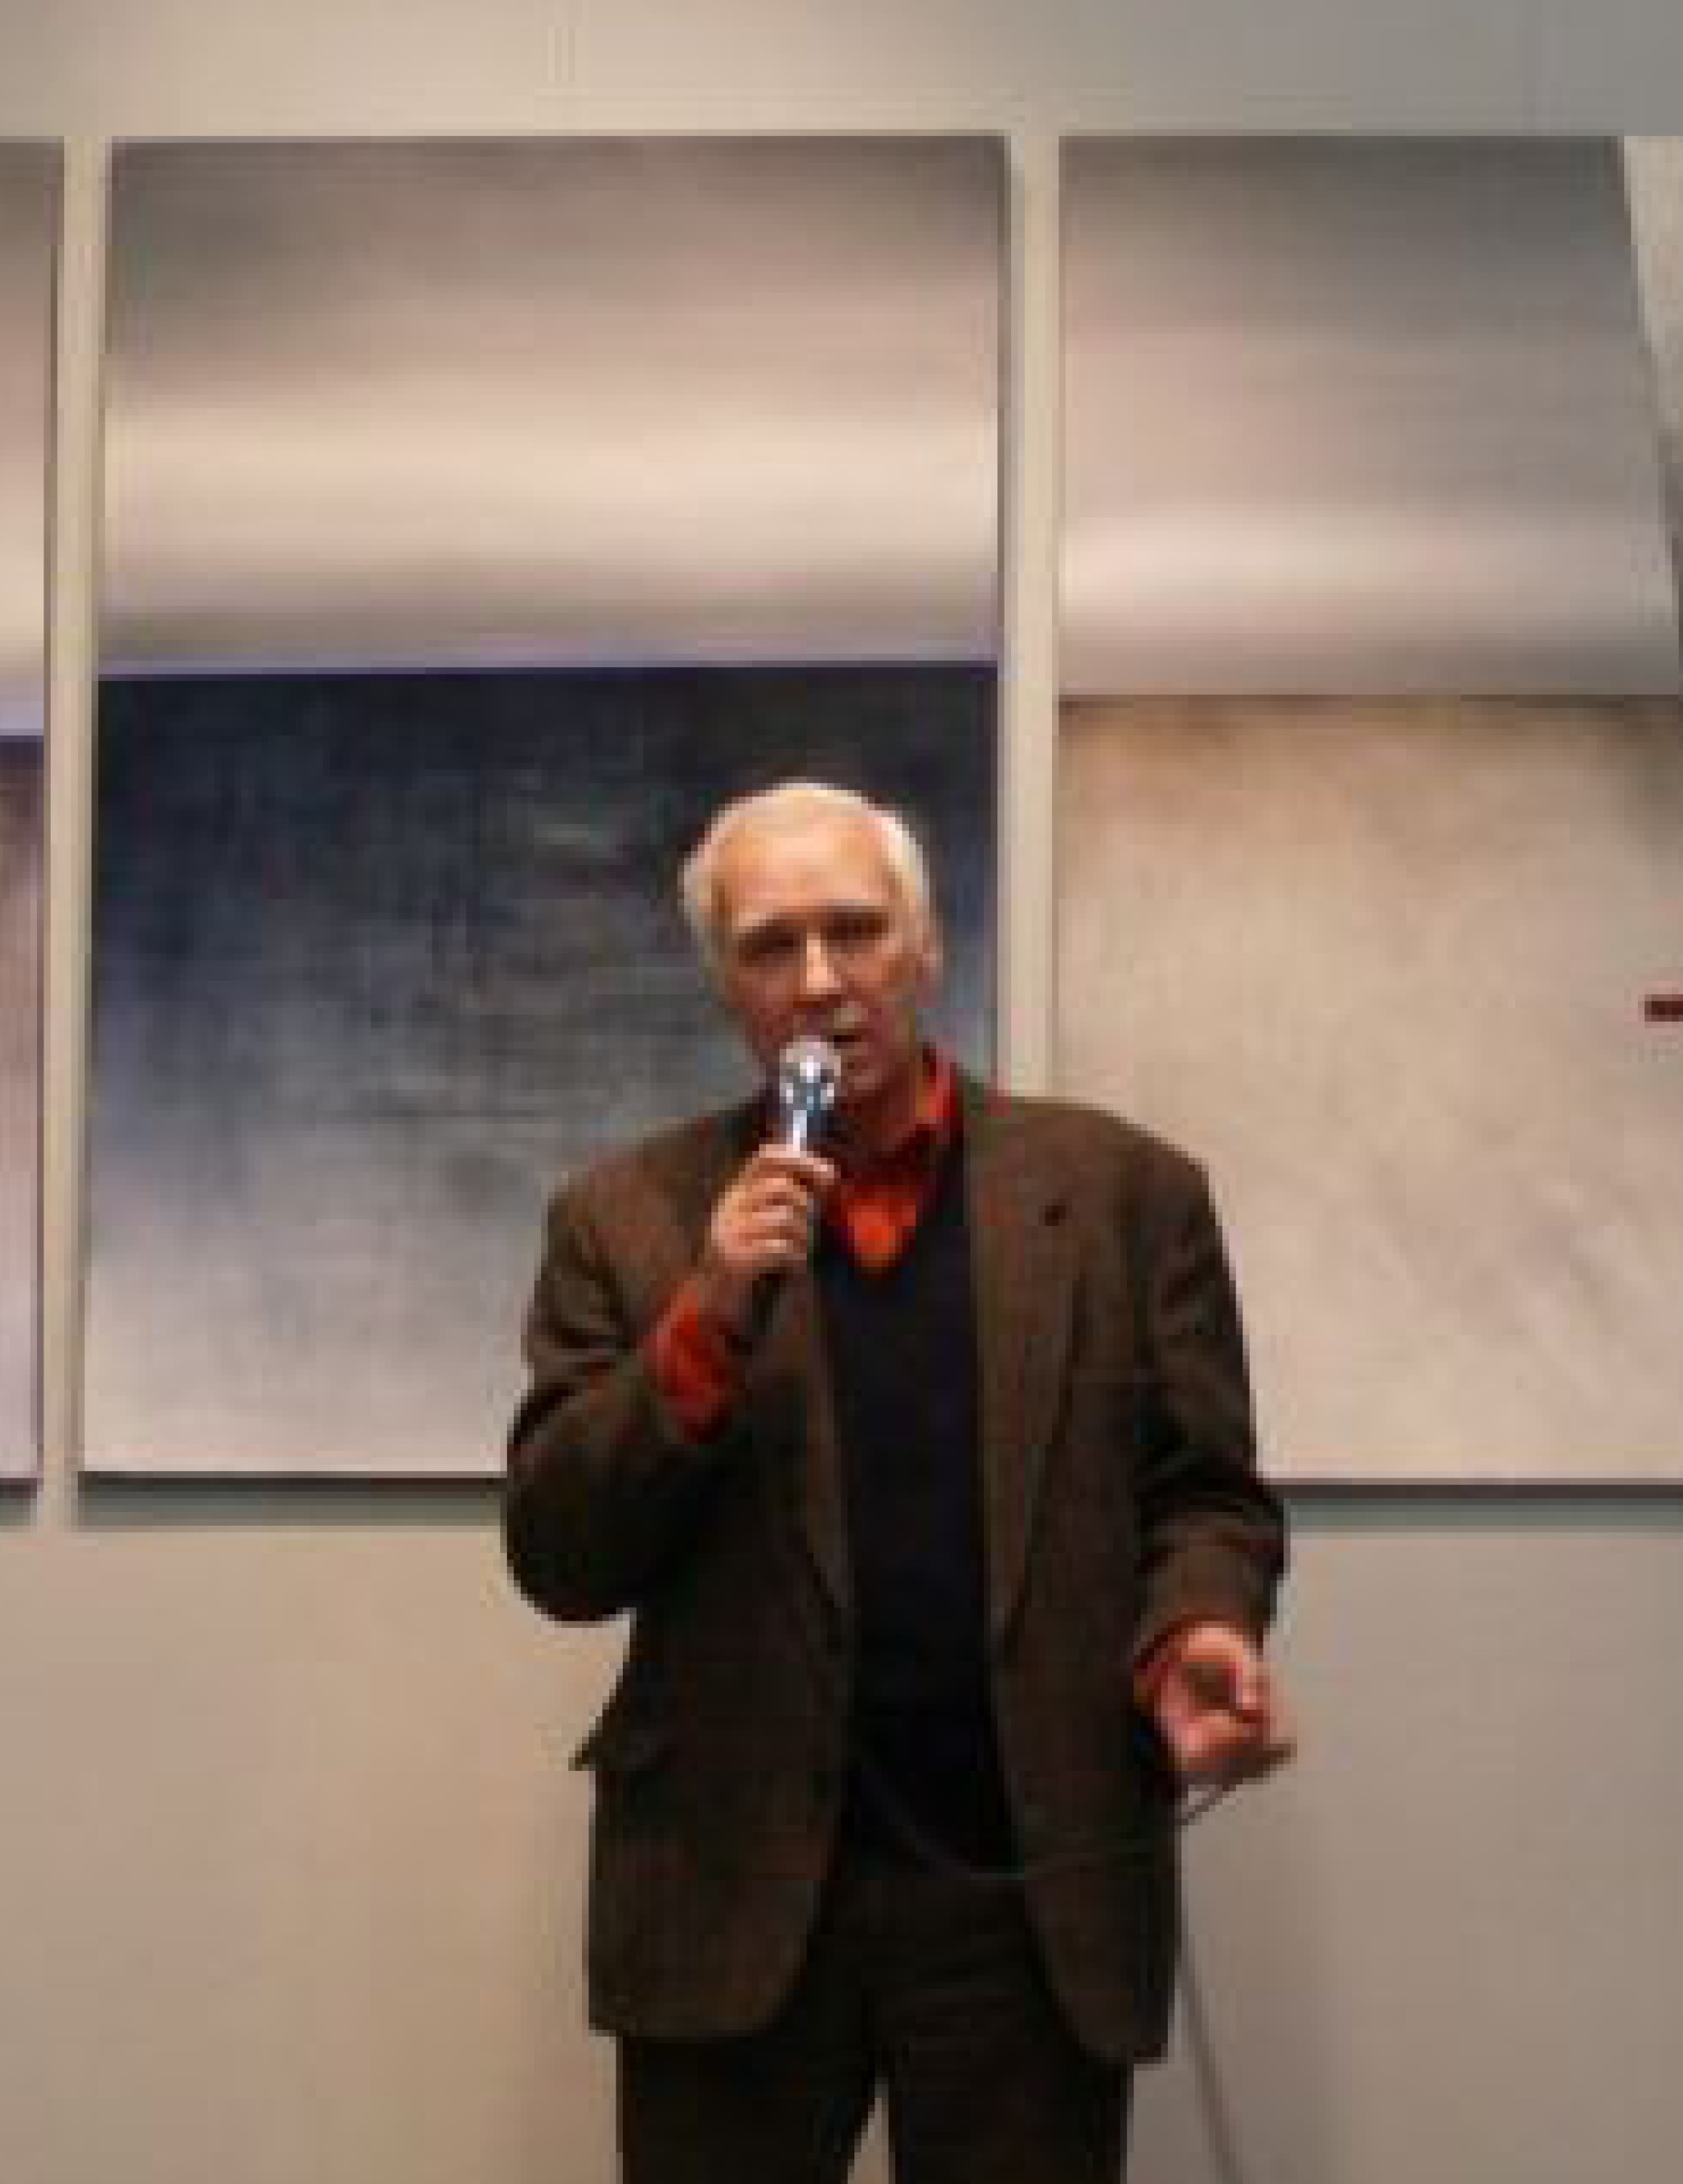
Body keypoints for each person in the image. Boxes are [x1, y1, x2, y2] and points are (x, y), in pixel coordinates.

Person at [505, 780, 1296, 2184]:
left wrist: (1198, 1626)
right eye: (770, 945)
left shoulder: (1127, 1195)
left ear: (925, 948)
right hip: (733, 1883)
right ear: (726, 985)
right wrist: (704, 1312)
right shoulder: (623, 1218)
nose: (820, 980)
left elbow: (1206, 1494)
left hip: (1028, 1886)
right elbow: (561, 1554)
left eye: (854, 930)